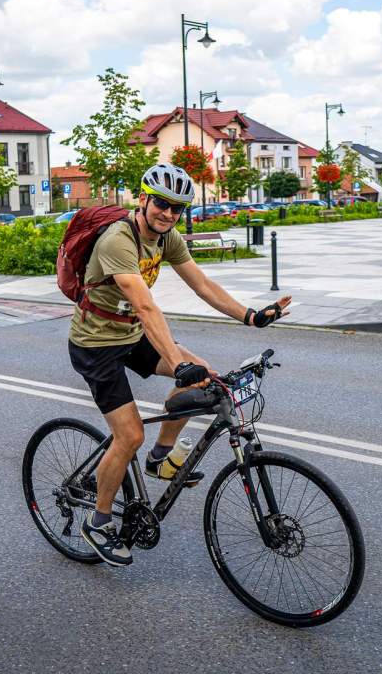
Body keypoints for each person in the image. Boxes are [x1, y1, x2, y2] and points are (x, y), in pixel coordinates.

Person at [69, 163, 292, 566]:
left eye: (177, 209)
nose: (169, 214)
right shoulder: (118, 240)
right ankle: (98, 522)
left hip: (131, 335)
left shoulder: (168, 237)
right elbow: (143, 304)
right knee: (128, 436)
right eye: (162, 204)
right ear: (143, 200)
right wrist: (174, 360)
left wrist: (251, 317)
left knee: (201, 379)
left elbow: (202, 284)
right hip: (96, 345)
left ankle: (160, 458)